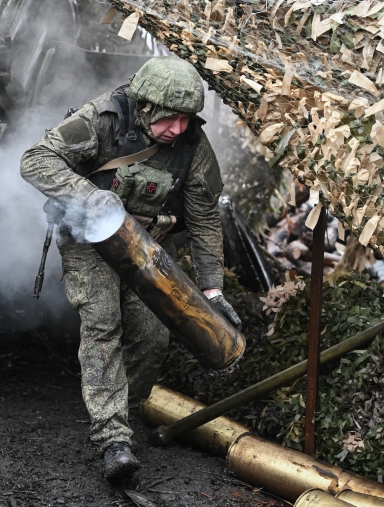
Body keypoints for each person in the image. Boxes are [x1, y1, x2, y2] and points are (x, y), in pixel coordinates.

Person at [20, 57, 241, 480]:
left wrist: (213, 291)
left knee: (154, 336)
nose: (178, 128)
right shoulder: (103, 119)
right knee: (103, 323)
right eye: (169, 118)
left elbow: (204, 218)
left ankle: (119, 408)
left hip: (147, 244)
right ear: (145, 106)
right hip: (88, 238)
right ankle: (112, 438)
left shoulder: (192, 145)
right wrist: (88, 196)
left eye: (186, 118)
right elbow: (35, 159)